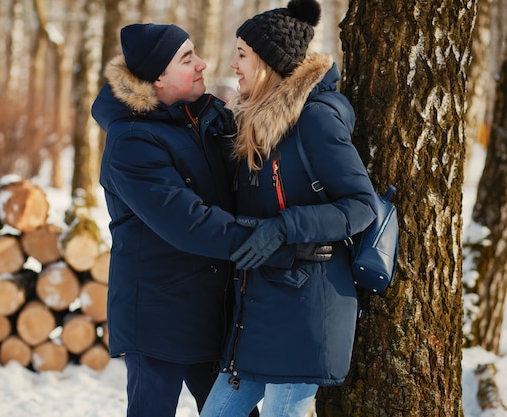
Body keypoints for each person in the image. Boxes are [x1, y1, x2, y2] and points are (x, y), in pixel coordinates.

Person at [91, 23, 328, 417]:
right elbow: (190, 222)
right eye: (187, 58)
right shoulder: (131, 142)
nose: (202, 64)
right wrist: (279, 244)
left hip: (214, 311)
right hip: (158, 319)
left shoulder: (206, 118)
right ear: (157, 79)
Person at [199, 0, 378, 416]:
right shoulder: (254, 124)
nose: (233, 63)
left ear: (269, 62)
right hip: (260, 305)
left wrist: (284, 227)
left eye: (242, 54)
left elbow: (360, 205)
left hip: (308, 305)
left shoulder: (314, 119)